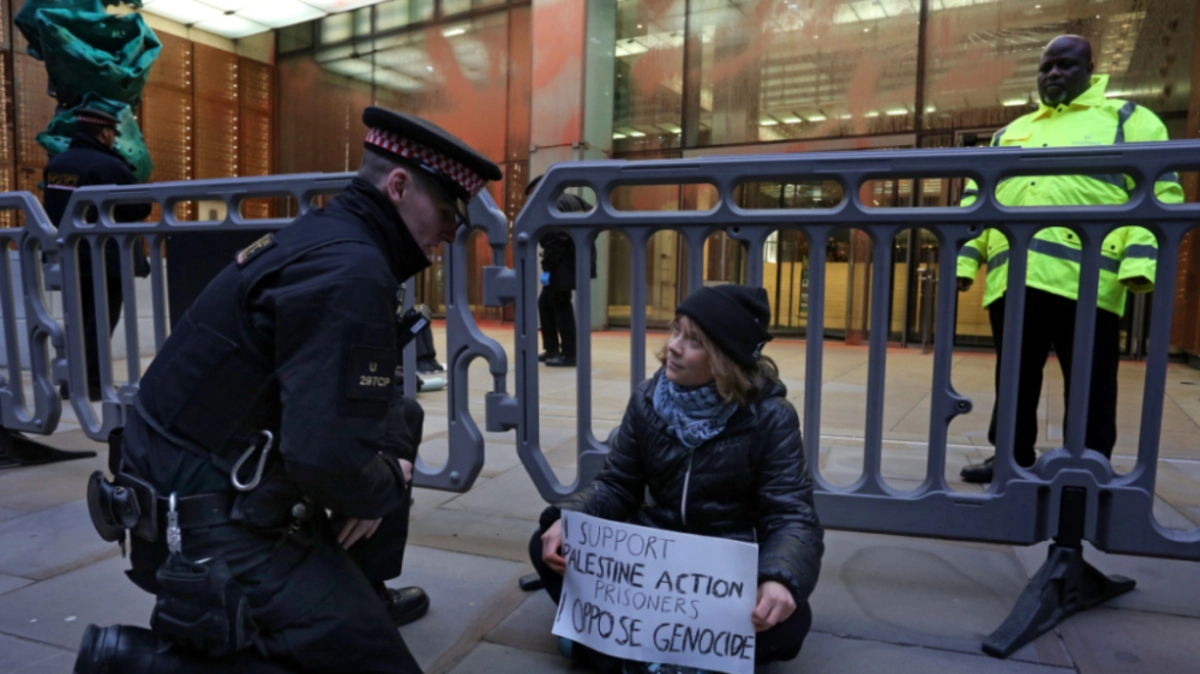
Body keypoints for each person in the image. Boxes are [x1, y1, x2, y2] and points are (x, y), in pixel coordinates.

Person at [75, 107, 501, 673]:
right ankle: (138, 663)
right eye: (446, 212)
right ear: (398, 187)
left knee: (399, 424)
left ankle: (352, 593)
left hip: (182, 488)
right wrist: (384, 483)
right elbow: (326, 461)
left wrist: (384, 461)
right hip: (209, 528)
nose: (451, 232)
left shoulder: (328, 239)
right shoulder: (351, 271)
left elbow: (369, 399)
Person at [529, 285, 823, 673]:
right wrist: (569, 519)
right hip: (653, 567)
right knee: (548, 543)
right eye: (676, 330)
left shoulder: (771, 417)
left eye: (694, 340)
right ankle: (673, 656)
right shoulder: (648, 400)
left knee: (791, 621)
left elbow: (792, 517)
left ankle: (615, 651)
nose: (673, 346)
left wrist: (779, 580)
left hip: (724, 575)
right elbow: (617, 485)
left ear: (726, 359)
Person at [956, 35, 1184, 484]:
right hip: (1014, 277)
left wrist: (1139, 264)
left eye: (1065, 65)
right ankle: (1010, 458)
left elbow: (1159, 193)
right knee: (1014, 377)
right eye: (1046, 67)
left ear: (1091, 70)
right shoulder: (1010, 132)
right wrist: (966, 262)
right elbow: (976, 201)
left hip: (1088, 279)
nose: (1053, 73)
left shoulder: (1128, 119)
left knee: (1091, 381)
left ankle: (1088, 463)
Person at [43, 107, 152, 401]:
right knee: (100, 322)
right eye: (113, 134)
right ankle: (93, 383)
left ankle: (72, 381)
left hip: (69, 254)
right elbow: (140, 206)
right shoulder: (109, 165)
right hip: (106, 257)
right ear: (104, 133)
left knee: (77, 320)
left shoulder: (58, 164)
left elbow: (54, 207)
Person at [531, 177, 596, 367]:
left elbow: (556, 238)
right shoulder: (574, 200)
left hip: (563, 263)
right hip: (578, 259)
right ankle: (552, 349)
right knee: (546, 302)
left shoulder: (553, 203)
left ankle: (570, 354)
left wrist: (547, 267)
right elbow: (594, 218)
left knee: (560, 304)